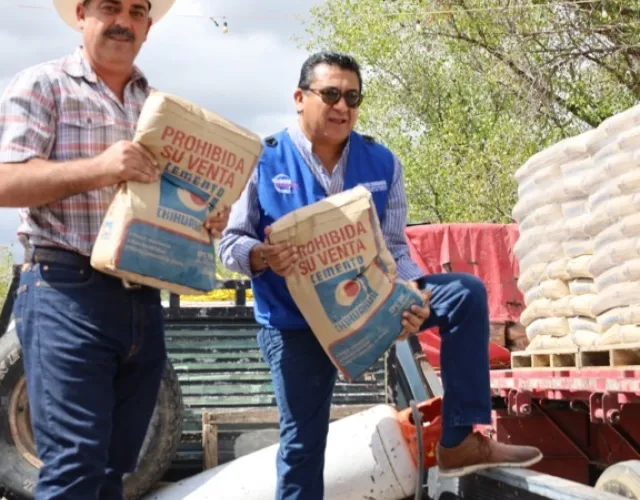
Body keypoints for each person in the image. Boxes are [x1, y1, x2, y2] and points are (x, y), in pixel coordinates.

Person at [218, 51, 543, 499]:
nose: (342, 107)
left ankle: (458, 441)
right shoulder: (264, 161)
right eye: (330, 94)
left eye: (352, 98)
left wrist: (410, 293)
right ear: (299, 97)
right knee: (302, 447)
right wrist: (261, 256)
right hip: (297, 325)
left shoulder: (382, 162)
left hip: (369, 305)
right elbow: (230, 245)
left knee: (463, 293)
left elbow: (395, 248)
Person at [0, 1, 229, 498]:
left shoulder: (160, 109)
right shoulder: (43, 85)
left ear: (148, 27)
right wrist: (102, 168)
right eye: (110, 7)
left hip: (142, 300)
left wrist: (206, 218)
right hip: (65, 289)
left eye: (137, 11)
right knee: (74, 469)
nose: (123, 21)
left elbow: (170, 203)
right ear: (81, 13)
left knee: (116, 472)